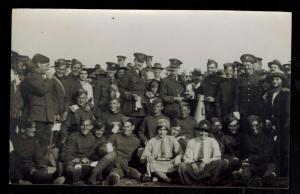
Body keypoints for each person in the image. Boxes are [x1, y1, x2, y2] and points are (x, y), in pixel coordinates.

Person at [20, 53, 59, 153]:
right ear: (38, 64)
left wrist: (55, 111)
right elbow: (41, 89)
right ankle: (34, 165)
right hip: (37, 116)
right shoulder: (30, 76)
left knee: (45, 144)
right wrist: (49, 79)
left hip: (46, 116)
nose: (48, 68)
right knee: (35, 143)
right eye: (46, 65)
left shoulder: (42, 78)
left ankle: (41, 165)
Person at [10, 119, 64, 184]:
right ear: (22, 130)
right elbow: (13, 162)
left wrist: (43, 168)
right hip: (19, 170)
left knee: (38, 173)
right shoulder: (13, 141)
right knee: (29, 169)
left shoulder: (35, 142)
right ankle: (52, 178)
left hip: (33, 170)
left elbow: (39, 159)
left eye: (34, 127)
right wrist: (19, 180)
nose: (34, 130)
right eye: (32, 128)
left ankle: (49, 178)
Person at [178, 120, 226, 185]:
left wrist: (204, 162)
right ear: (197, 131)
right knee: (182, 166)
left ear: (209, 133)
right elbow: (187, 158)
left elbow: (217, 156)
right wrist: (193, 164)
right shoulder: (192, 141)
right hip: (194, 165)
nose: (203, 134)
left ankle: (209, 182)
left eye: (206, 131)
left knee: (219, 162)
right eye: (201, 131)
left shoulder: (212, 141)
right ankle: (191, 183)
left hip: (207, 165)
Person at [105, 118, 151, 185]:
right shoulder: (115, 136)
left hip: (126, 164)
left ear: (132, 127)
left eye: (128, 127)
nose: (125, 129)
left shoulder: (136, 140)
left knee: (118, 172)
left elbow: (139, 153)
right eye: (124, 126)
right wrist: (115, 157)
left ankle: (123, 174)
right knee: (115, 170)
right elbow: (108, 147)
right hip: (114, 162)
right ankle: (136, 175)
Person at [263, 72, 290, 177]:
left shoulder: (286, 93)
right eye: (273, 79)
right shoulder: (270, 94)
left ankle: (284, 173)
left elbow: (287, 112)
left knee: (283, 148)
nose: (275, 81)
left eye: (277, 79)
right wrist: (268, 119)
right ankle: (276, 171)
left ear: (282, 81)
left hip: (282, 126)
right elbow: (268, 110)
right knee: (275, 148)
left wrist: (282, 126)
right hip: (273, 125)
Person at [239, 115, 277, 186]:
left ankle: (266, 179)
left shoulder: (268, 137)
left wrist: (250, 159)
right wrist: (244, 163)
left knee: (269, 173)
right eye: (251, 126)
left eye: (256, 125)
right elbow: (244, 155)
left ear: (261, 124)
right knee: (245, 174)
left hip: (266, 164)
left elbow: (267, 156)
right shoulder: (247, 138)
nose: (254, 128)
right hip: (252, 165)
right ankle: (248, 179)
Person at [234, 54, 263, 135]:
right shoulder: (240, 78)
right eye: (244, 65)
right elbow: (237, 95)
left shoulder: (259, 78)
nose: (246, 67)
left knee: (255, 131)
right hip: (243, 112)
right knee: (244, 131)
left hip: (255, 111)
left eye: (248, 65)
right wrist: (236, 110)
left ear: (253, 65)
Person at [61, 119, 97, 184]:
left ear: (91, 127)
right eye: (83, 125)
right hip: (72, 161)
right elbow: (65, 154)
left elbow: (91, 154)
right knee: (71, 170)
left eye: (87, 125)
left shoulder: (92, 138)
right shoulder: (73, 136)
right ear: (80, 126)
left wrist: (88, 159)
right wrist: (77, 159)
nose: (85, 128)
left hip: (84, 164)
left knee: (93, 169)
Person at [119, 52, 147, 119]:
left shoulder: (143, 74)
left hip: (141, 107)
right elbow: (121, 88)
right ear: (134, 61)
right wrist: (131, 95)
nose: (140, 64)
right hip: (130, 106)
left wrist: (147, 92)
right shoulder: (128, 73)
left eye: (142, 62)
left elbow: (144, 88)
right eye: (138, 61)